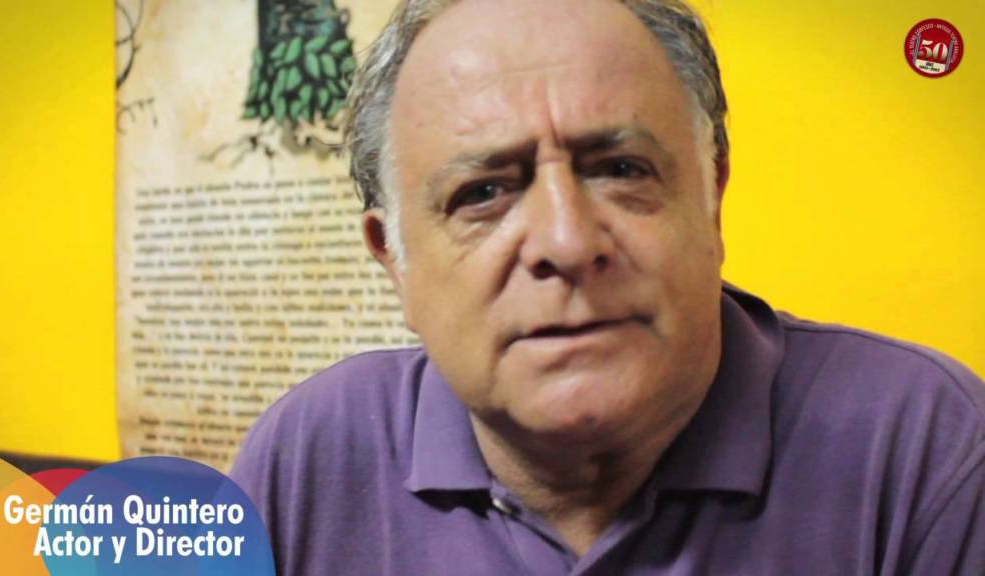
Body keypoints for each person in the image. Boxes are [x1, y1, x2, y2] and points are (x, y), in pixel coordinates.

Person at [230, 0, 985, 573]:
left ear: (712, 199)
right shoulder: (307, 459)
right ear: (393, 258)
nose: (566, 242)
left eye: (622, 170)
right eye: (483, 193)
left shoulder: (928, 449)